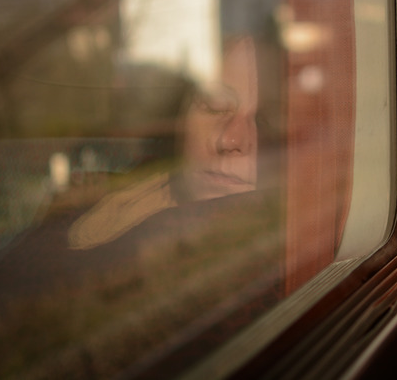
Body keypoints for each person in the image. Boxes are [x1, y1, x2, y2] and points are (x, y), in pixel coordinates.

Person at [68, 35, 260, 249]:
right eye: (215, 106)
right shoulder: (111, 216)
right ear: (179, 119)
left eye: (263, 121)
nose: (231, 139)